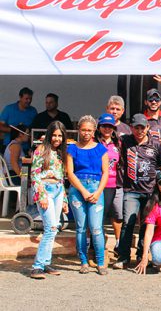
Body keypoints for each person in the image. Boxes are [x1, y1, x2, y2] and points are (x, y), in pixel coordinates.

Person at [114, 114, 161, 269]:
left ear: (147, 128)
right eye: (136, 127)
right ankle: (124, 257)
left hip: (151, 191)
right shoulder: (125, 142)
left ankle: (141, 256)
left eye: (142, 127)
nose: (139, 130)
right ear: (131, 128)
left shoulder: (156, 145)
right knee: (128, 223)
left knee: (146, 223)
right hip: (131, 190)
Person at [66, 115, 109, 275]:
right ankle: (83, 261)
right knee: (81, 228)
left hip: (96, 188)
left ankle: (100, 262)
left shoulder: (101, 149)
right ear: (79, 130)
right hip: (78, 189)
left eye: (89, 130)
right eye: (83, 130)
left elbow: (105, 172)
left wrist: (98, 192)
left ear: (94, 131)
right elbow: (70, 173)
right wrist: (83, 191)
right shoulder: (72, 149)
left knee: (96, 227)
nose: (86, 133)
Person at [29, 121, 68, 279]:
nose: (57, 138)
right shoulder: (41, 150)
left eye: (60, 136)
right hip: (46, 189)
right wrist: (41, 195)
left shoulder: (60, 153)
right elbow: (35, 174)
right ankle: (37, 266)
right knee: (50, 227)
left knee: (54, 228)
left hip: (58, 190)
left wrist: (64, 199)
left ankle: (46, 262)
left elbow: (62, 178)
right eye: (54, 135)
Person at [95, 114, 123, 253]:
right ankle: (94, 245)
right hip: (98, 184)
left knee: (117, 215)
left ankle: (118, 243)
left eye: (110, 126)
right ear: (99, 127)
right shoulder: (94, 142)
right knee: (97, 215)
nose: (107, 129)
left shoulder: (118, 143)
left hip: (115, 183)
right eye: (104, 126)